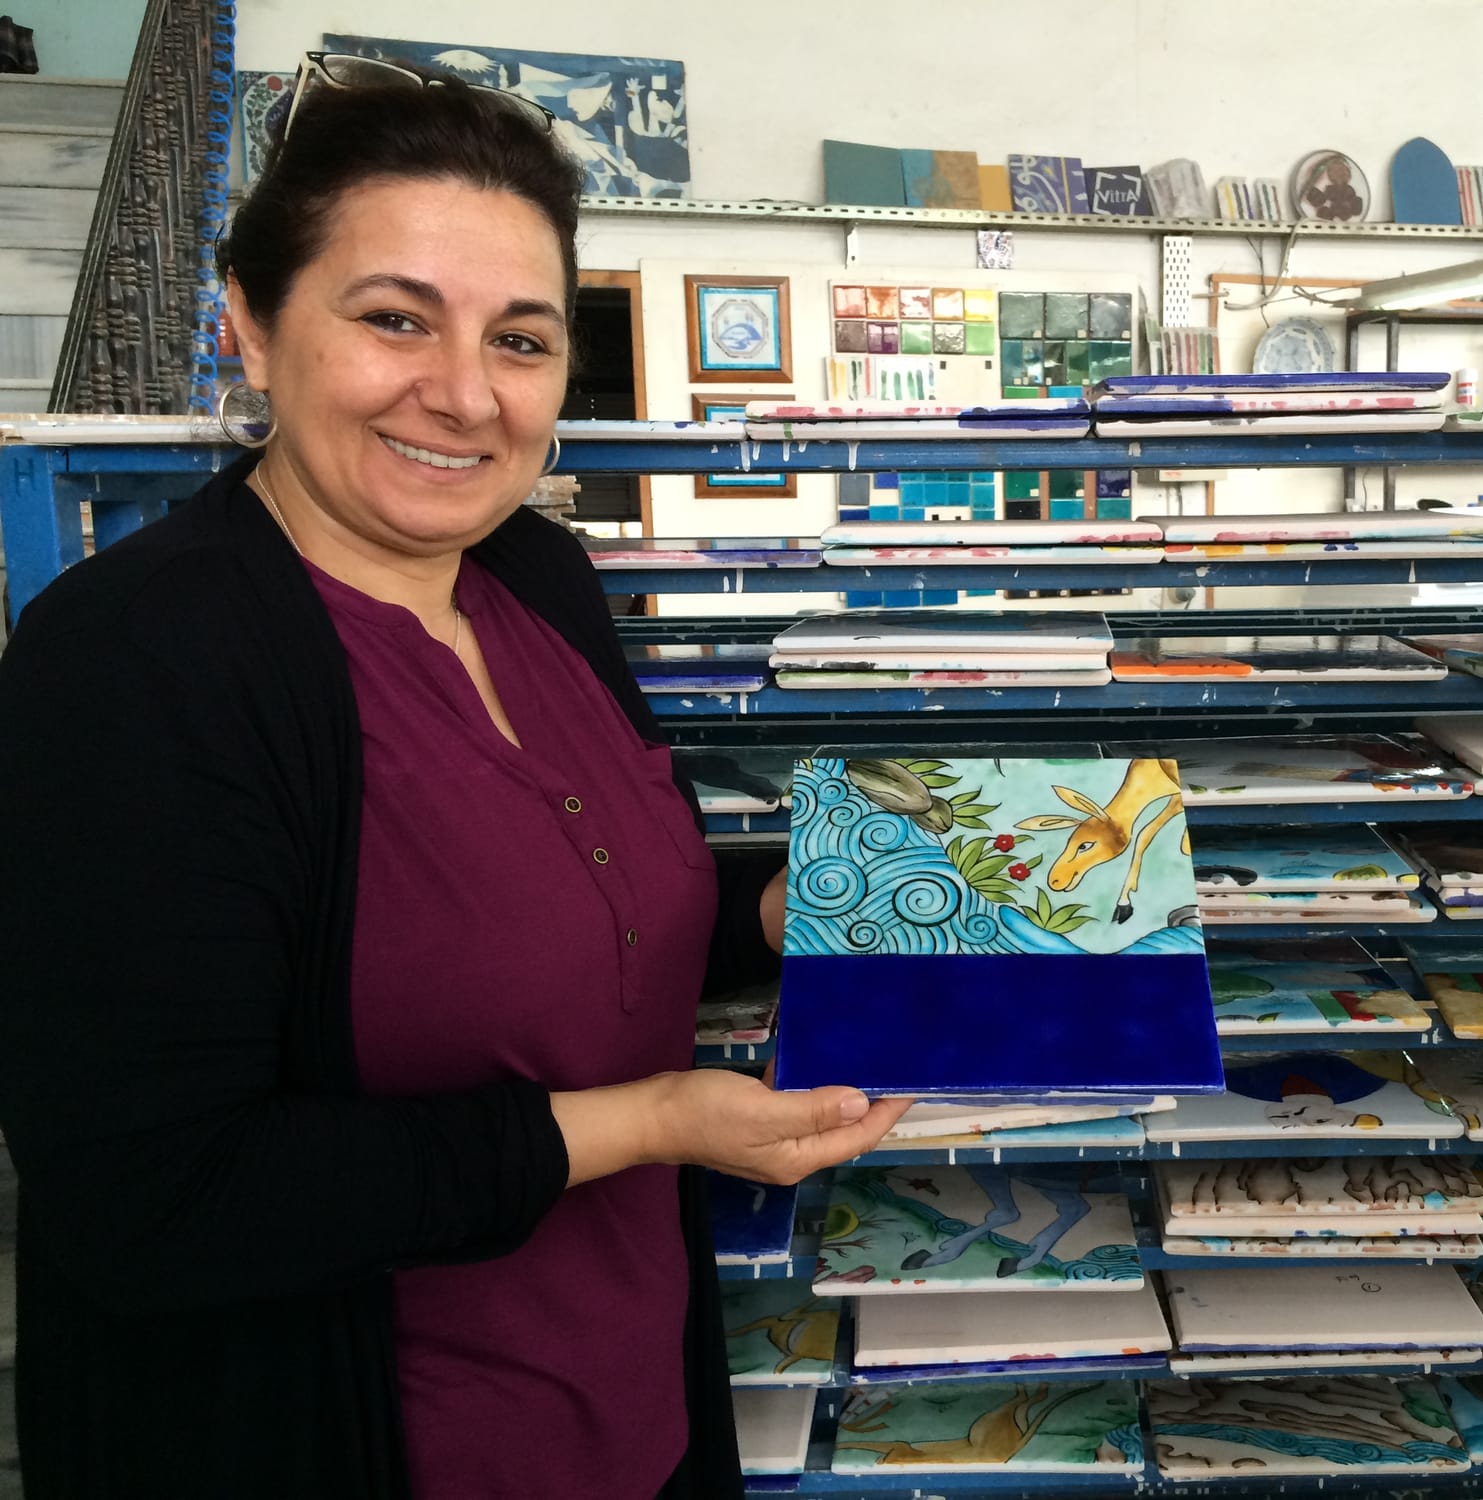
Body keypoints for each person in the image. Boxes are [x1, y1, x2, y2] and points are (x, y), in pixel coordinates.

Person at [0, 59, 906, 1500]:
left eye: (521, 340)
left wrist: (772, 911)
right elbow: (153, 1199)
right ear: (251, 327)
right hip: (361, 1445)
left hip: (631, 1406)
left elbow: (575, 891)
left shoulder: (538, 575)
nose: (468, 394)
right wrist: (654, 1123)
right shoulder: (135, 660)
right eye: (395, 318)